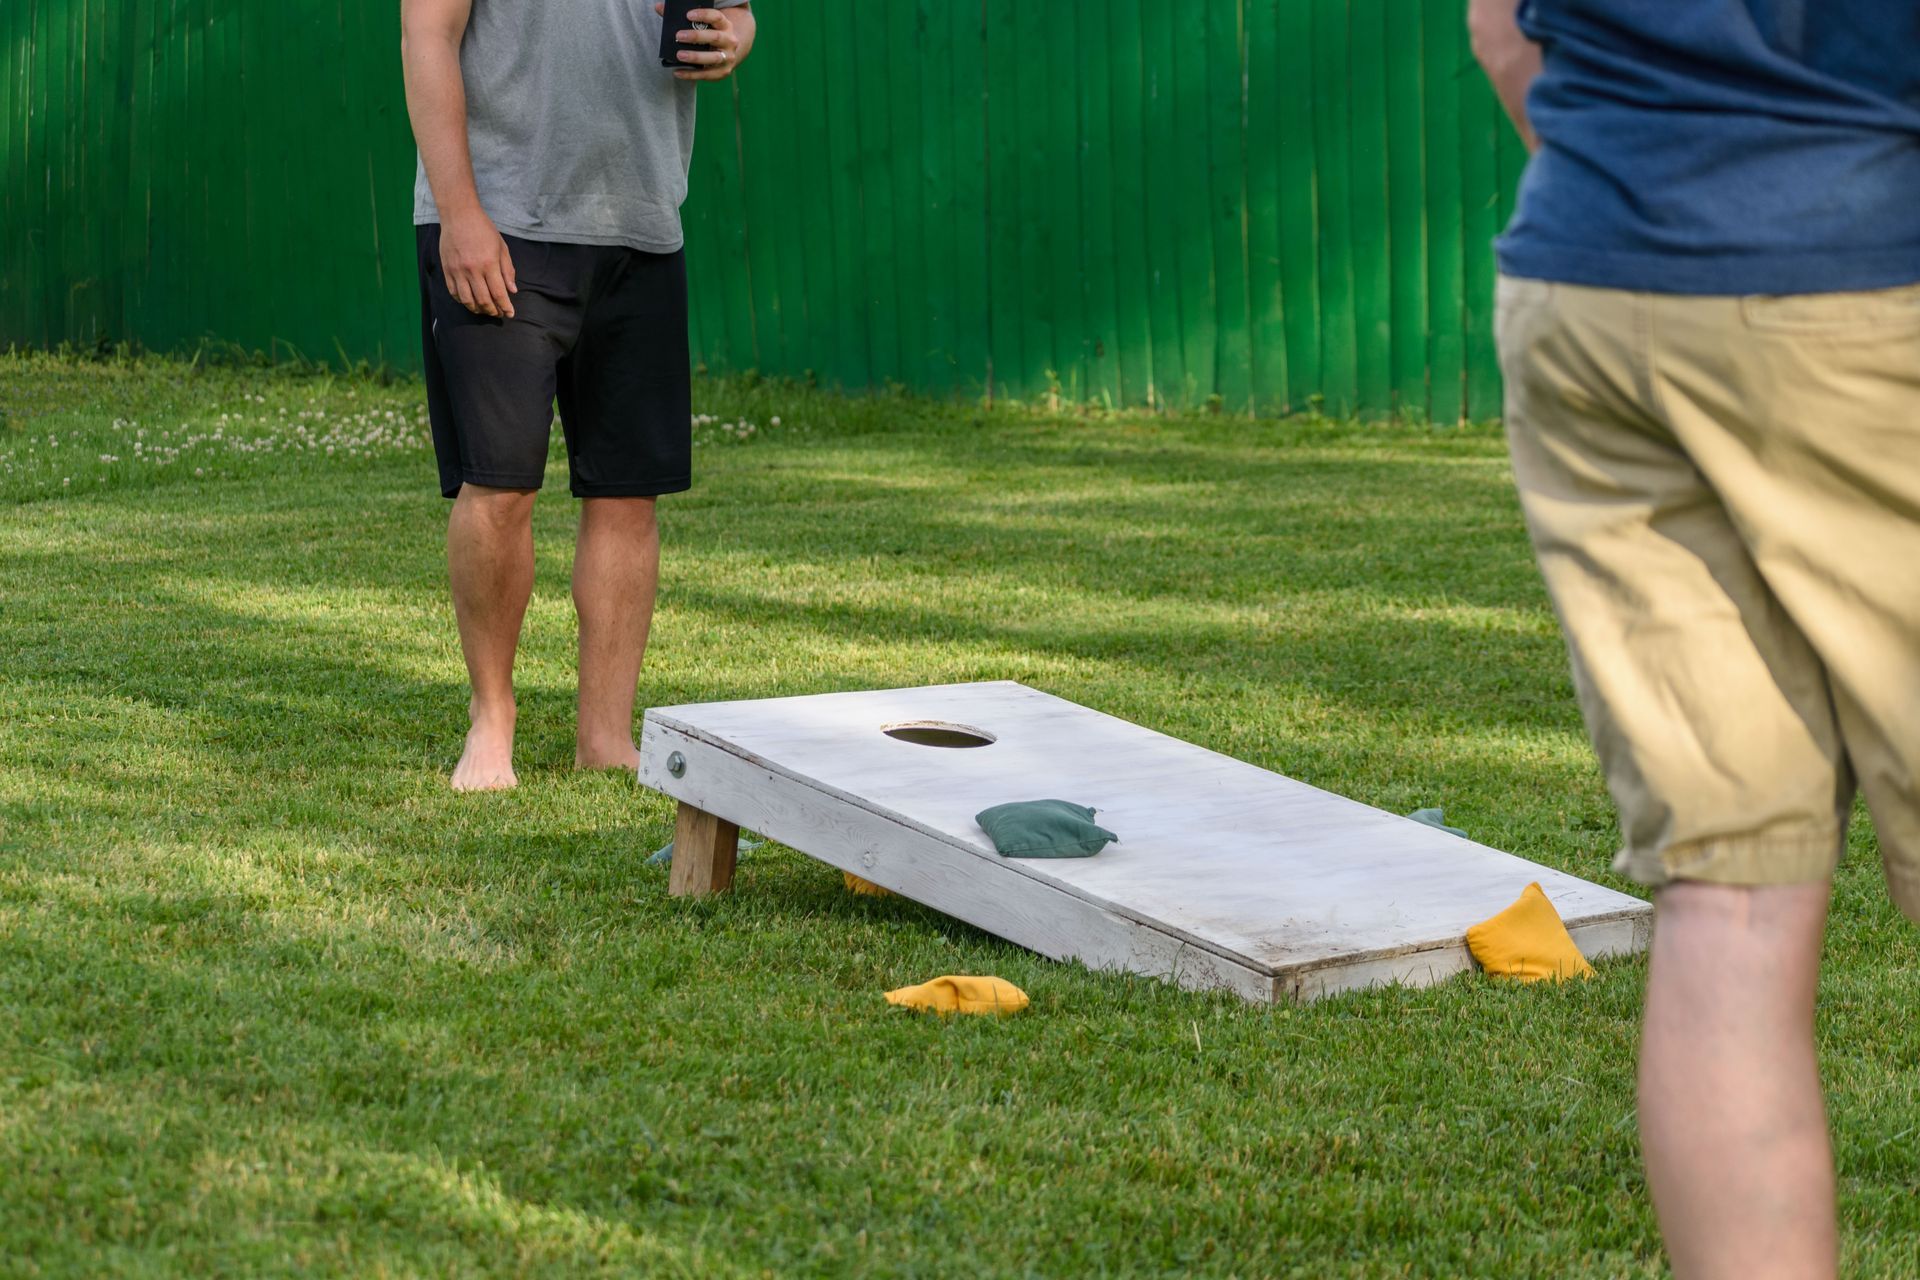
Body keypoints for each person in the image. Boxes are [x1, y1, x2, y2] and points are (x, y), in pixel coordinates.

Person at [1470, 2, 1920, 1276]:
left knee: (1731, 898)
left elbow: (1500, 27)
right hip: (1859, 272)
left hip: (1590, 279)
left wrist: (1658, 216)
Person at [401, 0, 755, 789]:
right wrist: (459, 214)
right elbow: (426, 34)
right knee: (500, 487)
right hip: (500, 221)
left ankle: (605, 736)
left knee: (628, 495)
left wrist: (736, 36)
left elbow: (733, 14)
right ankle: (492, 719)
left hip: (642, 222)